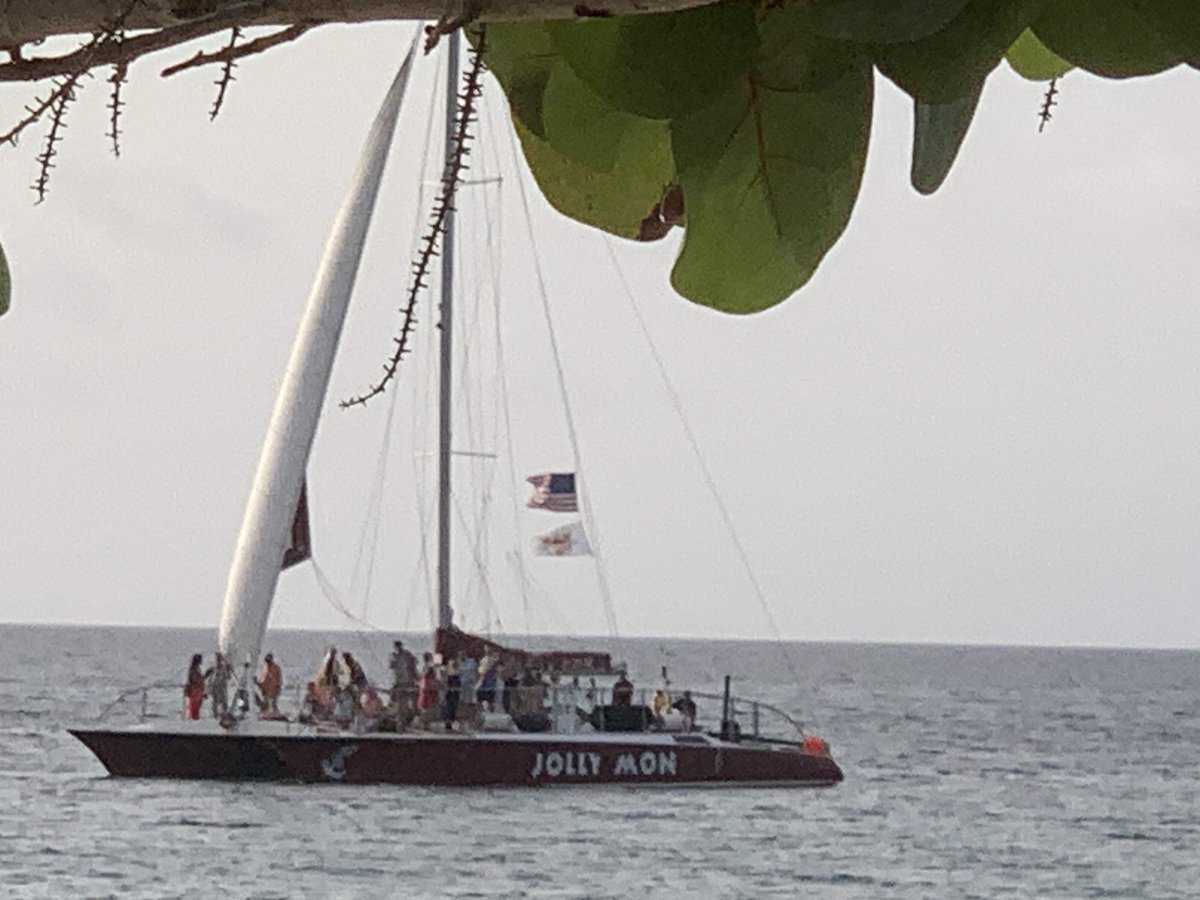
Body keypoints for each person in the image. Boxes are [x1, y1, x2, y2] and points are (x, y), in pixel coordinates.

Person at [184, 654, 207, 720]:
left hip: (198, 691)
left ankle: (195, 718)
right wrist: (206, 675)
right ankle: (193, 719)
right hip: (194, 691)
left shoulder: (197, 668)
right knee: (194, 707)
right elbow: (196, 679)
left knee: (197, 707)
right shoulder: (193, 669)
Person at [208, 652, 232, 718]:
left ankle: (224, 714)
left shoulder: (224, 668)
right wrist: (209, 687)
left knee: (223, 702)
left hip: (221, 687)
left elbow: (228, 677)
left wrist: (228, 669)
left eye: (219, 658)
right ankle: (215, 714)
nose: (218, 660)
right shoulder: (213, 668)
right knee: (215, 701)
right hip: (214, 687)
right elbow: (210, 678)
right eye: (217, 658)